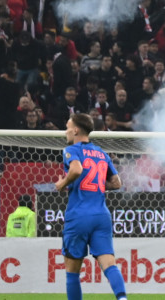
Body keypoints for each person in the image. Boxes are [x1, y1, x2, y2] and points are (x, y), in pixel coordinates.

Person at [54, 112, 126, 300]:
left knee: (72, 273)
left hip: (79, 214)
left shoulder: (72, 150)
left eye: (68, 126)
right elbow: (117, 183)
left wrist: (62, 184)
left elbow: (77, 169)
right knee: (109, 264)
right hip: (101, 215)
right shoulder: (101, 153)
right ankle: (123, 299)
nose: (66, 131)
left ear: (76, 129)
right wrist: (97, 186)